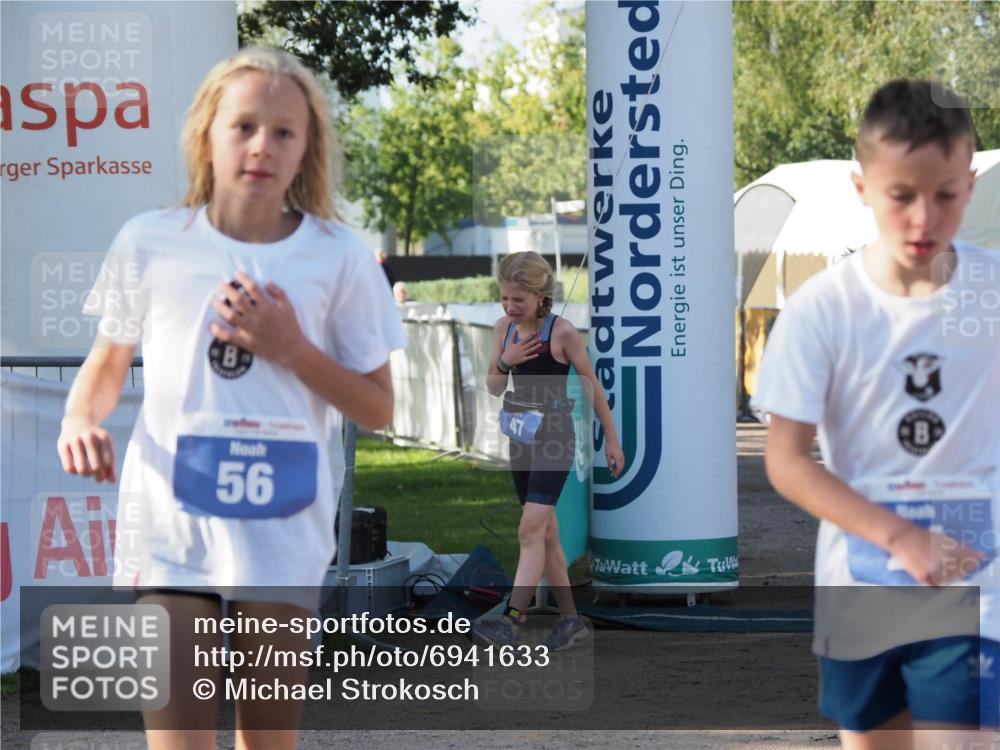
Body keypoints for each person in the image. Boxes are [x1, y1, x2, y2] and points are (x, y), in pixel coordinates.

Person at [56, 47, 405, 750]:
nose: (261, 147)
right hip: (170, 528)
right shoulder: (149, 242)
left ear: (306, 150)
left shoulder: (338, 257)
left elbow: (377, 408)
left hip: (281, 532)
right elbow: (106, 363)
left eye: (283, 132)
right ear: (206, 134)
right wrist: (77, 418)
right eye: (243, 126)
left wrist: (292, 349)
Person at [754, 79, 998, 748]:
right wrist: (898, 538)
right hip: (860, 593)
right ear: (863, 187)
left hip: (976, 589)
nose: (924, 219)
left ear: (969, 184)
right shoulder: (823, 309)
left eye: (945, 196)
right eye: (901, 197)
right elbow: (786, 460)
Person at [473, 251, 625, 651]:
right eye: (505, 297)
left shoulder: (562, 333)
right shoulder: (502, 329)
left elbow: (592, 386)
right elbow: (492, 387)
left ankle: (511, 622)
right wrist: (504, 363)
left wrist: (611, 439)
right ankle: (572, 621)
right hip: (520, 438)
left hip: (556, 438)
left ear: (541, 296)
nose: (510, 306)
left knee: (529, 530)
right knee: (547, 534)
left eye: (518, 299)